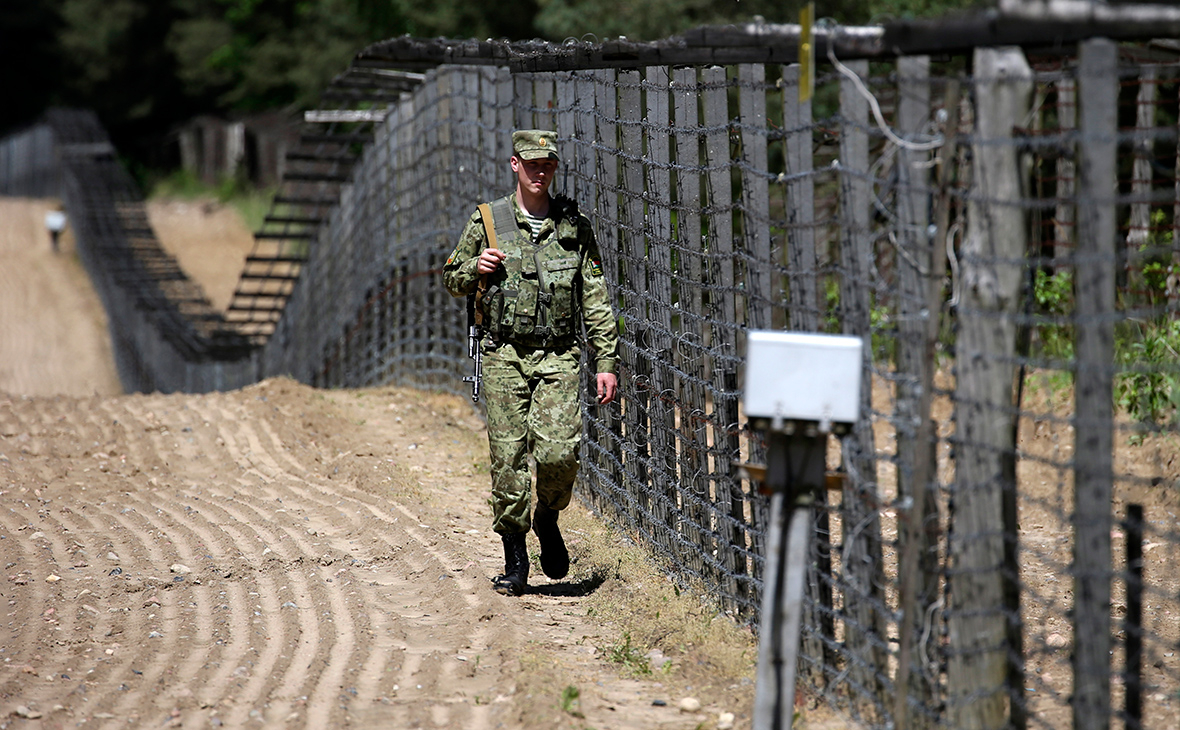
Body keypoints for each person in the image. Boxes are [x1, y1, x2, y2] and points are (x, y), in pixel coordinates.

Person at [443, 129, 619, 596]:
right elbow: (451, 278)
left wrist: (606, 361)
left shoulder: (573, 226)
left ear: (555, 167)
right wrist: (474, 267)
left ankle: (547, 516)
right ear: (514, 165)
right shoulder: (488, 221)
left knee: (560, 453)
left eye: (548, 165)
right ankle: (515, 558)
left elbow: (595, 298)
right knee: (508, 460)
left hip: (559, 354)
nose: (540, 172)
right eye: (532, 164)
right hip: (504, 354)